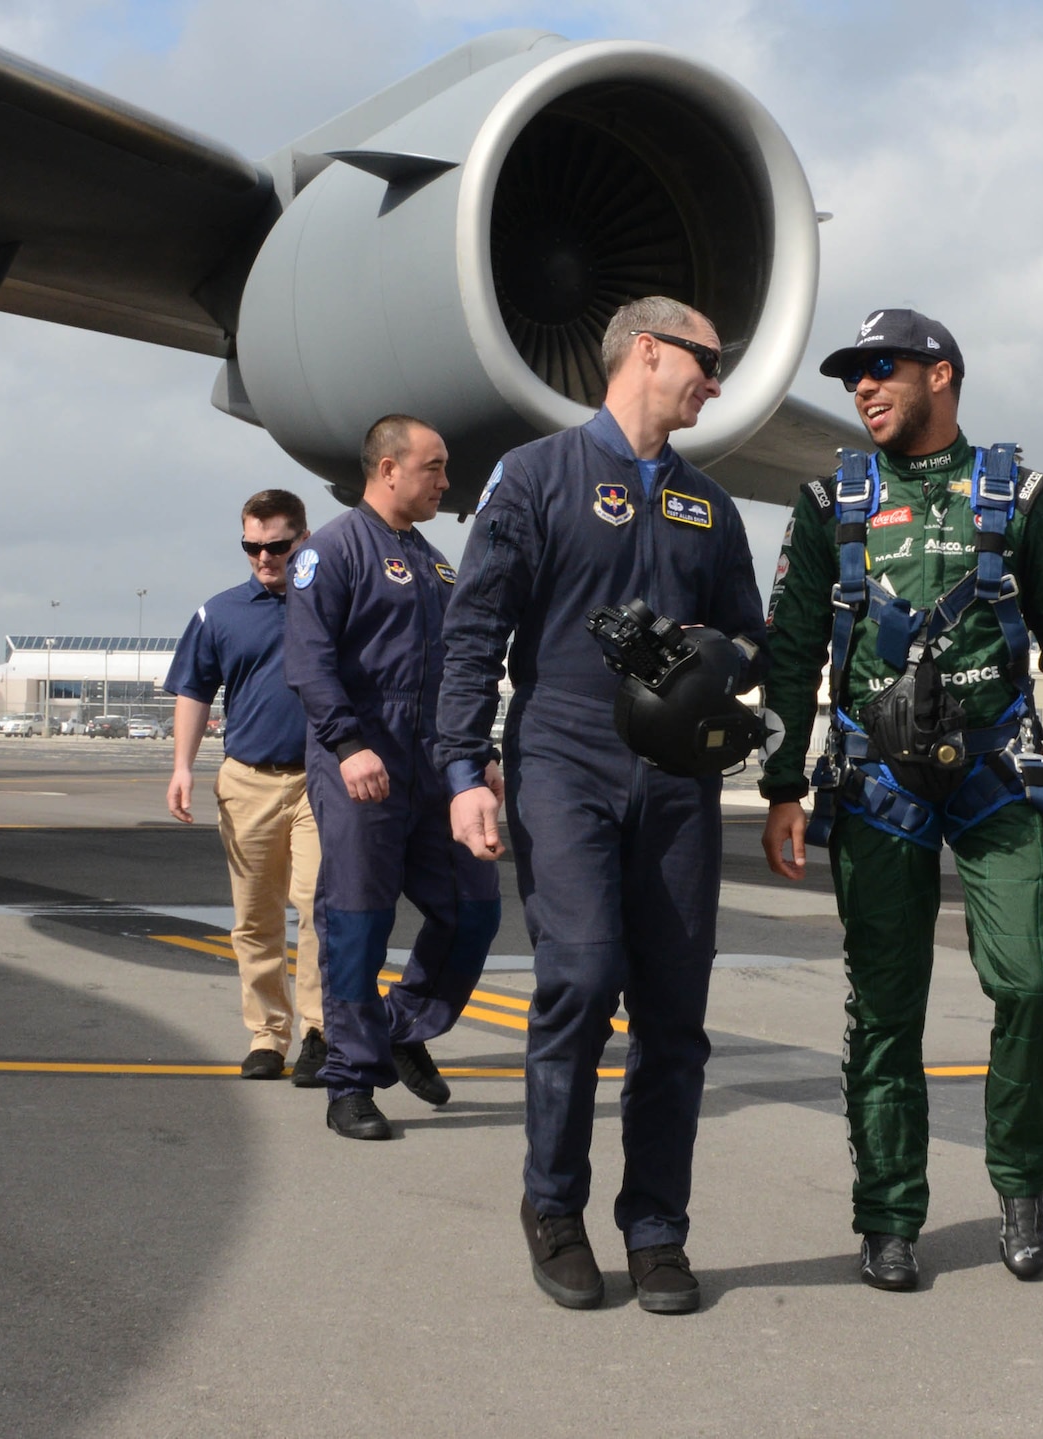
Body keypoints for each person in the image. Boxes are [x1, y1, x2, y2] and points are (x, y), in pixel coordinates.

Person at [758, 307, 1043, 1291]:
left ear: (941, 374)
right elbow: (791, 651)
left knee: (1030, 982)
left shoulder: (1017, 494)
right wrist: (779, 784)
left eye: (881, 369)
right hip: (874, 782)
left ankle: (1019, 1183)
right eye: (851, 377)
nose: (862, 389)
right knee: (884, 1006)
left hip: (995, 773)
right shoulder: (825, 500)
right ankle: (886, 1219)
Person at [437, 297, 767, 1316]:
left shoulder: (709, 507)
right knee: (577, 978)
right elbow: (473, 627)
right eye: (706, 362)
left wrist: (718, 670)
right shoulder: (534, 477)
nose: (715, 382)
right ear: (649, 351)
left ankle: (656, 1227)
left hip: (675, 778)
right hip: (563, 755)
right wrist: (459, 770)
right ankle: (552, 1206)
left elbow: (747, 641)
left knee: (674, 1013)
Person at [284, 415, 502, 1142]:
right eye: (433, 467)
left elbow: (460, 671)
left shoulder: (438, 565)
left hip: (434, 767)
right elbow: (310, 662)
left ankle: (403, 1024)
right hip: (361, 763)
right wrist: (348, 744)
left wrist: (476, 753)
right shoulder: (333, 552)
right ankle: (350, 1081)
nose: (445, 481)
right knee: (357, 922)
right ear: (387, 469)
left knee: (474, 906)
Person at [166, 489, 326, 1085]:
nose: (265, 557)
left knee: (319, 907)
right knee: (255, 918)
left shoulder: (333, 601)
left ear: (302, 539)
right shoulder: (220, 613)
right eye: (252, 547)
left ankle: (318, 1031)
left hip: (320, 781)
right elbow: (193, 690)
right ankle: (267, 1033)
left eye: (277, 546)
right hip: (248, 782)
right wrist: (182, 767)